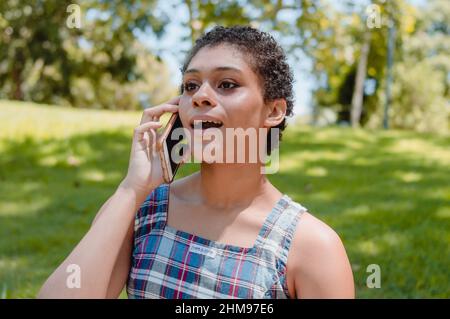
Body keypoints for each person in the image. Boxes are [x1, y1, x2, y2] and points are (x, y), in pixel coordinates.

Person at [38, 25, 354, 299]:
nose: (200, 96)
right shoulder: (142, 209)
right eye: (191, 86)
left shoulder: (311, 246)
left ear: (273, 111)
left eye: (227, 84)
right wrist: (132, 189)